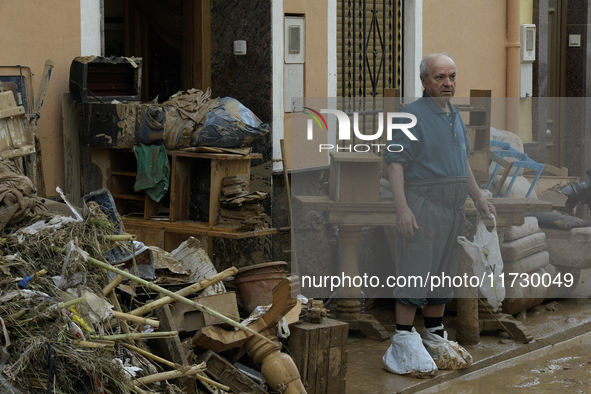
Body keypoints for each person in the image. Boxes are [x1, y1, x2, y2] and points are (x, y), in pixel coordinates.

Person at [382, 53, 496, 376]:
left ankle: (433, 334)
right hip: (423, 208)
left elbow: (463, 166)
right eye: (439, 78)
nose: (448, 83)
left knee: (442, 276)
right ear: (424, 82)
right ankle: (402, 342)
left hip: (453, 211)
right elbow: (395, 164)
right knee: (415, 274)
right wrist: (402, 208)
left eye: (452, 77)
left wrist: (480, 198)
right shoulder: (410, 115)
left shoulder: (454, 114)